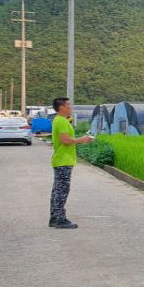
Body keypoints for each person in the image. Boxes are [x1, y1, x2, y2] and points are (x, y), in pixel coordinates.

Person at [49, 97, 93, 229]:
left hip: (62, 160)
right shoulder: (61, 121)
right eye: (68, 105)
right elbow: (65, 140)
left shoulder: (60, 120)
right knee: (62, 191)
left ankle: (54, 217)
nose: (70, 107)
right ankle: (59, 219)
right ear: (61, 107)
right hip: (63, 160)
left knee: (58, 190)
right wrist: (82, 140)